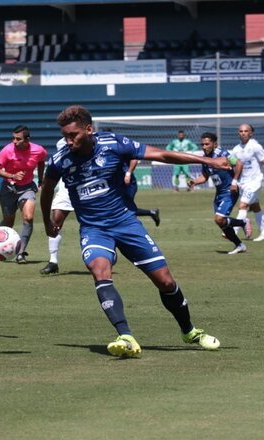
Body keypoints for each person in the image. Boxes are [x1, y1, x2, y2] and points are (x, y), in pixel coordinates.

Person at [41, 105, 226, 357]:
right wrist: (48, 222)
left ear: (88, 129)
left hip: (126, 223)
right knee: (100, 271)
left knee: (165, 281)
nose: (68, 140)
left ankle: (189, 331)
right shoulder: (60, 160)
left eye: (73, 135)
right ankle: (125, 335)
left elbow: (161, 155)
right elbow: (47, 189)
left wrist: (207, 160)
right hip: (94, 229)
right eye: (65, 136)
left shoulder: (113, 144)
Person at [188, 132, 252, 255]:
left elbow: (238, 164)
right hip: (219, 194)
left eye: (207, 144)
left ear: (214, 144)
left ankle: (243, 222)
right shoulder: (205, 159)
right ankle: (240, 245)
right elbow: (205, 177)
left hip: (230, 191)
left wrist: (234, 182)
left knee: (219, 219)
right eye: (202, 144)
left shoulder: (223, 154)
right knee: (222, 223)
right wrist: (194, 182)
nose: (204, 146)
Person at [0, 125, 47, 264]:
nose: (14, 141)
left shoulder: (38, 150)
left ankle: (21, 253)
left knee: (28, 217)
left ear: (27, 140)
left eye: (18, 139)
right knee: (8, 222)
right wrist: (12, 175)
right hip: (8, 189)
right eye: (13, 138)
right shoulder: (7, 150)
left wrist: (41, 179)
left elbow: (41, 162)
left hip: (27, 188)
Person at [232, 124, 264, 242]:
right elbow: (234, 165)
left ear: (251, 133)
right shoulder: (236, 149)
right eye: (241, 131)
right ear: (238, 133)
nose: (243, 133)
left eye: (246, 131)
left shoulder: (255, 146)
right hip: (243, 183)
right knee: (255, 206)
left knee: (243, 205)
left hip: (255, 182)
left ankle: (233, 231)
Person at [40, 138, 73, 275]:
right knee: (56, 222)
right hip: (66, 189)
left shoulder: (90, 139)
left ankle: (109, 249)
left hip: (87, 188)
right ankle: (53, 262)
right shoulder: (61, 143)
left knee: (98, 223)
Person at [124, 159, 160, 226]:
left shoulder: (122, 151)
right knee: (123, 209)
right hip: (118, 185)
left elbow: (134, 159)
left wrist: (128, 174)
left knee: (125, 208)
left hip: (128, 184)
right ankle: (151, 212)